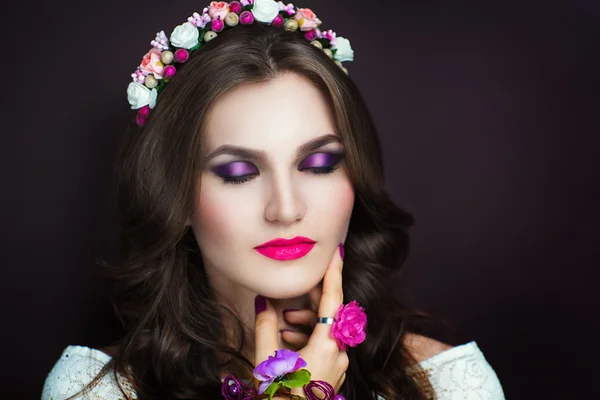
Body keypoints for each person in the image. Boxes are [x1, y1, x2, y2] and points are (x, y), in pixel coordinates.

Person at [42, 1, 505, 399]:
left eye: (319, 164)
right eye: (239, 173)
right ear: (175, 196)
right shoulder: (93, 390)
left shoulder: (449, 386)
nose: (285, 208)